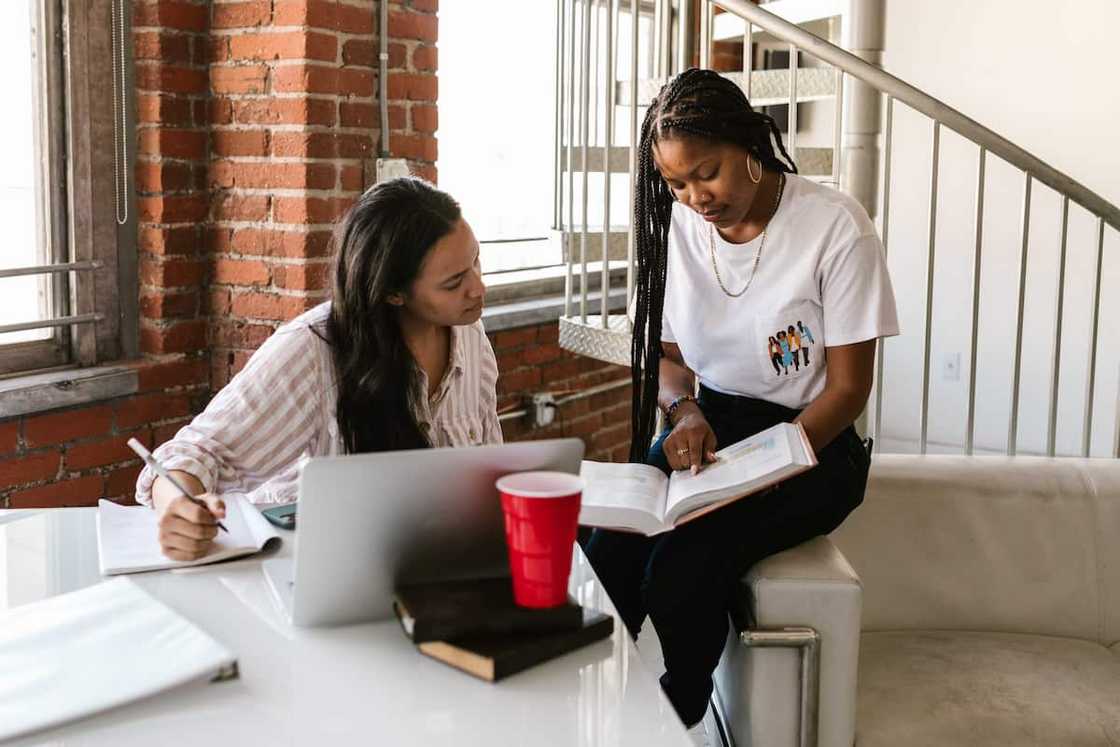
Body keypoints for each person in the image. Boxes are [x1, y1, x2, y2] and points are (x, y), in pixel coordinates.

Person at [581, 68, 898, 740]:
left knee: (683, 566)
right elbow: (666, 358)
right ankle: (593, 704)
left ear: (749, 144)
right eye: (675, 182)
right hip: (711, 424)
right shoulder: (678, 228)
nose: (696, 196)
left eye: (708, 172)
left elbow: (848, 390)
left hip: (812, 439)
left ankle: (676, 714)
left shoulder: (835, 227)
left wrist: (759, 468)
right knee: (608, 545)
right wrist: (684, 412)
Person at [135, 177, 501, 561]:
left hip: (425, 560)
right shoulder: (311, 352)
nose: (479, 288)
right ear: (393, 293)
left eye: (475, 261)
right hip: (302, 564)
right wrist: (179, 506)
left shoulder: (470, 336)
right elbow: (196, 452)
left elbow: (490, 468)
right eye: (454, 282)